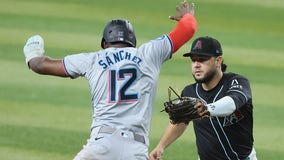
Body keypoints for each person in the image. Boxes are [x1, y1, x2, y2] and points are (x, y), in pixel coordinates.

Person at [23, 1, 197, 159]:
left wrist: (33, 53)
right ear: (132, 42)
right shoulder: (150, 53)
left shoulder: (92, 59)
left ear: (105, 43)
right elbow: (188, 28)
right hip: (136, 150)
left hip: (102, 145)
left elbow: (39, 65)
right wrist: (186, 16)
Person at [149, 36, 257, 160]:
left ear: (218, 61)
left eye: (202, 60)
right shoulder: (190, 92)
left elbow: (231, 103)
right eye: (193, 60)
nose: (196, 65)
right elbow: (180, 121)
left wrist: (206, 109)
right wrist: (161, 146)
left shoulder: (236, 82)